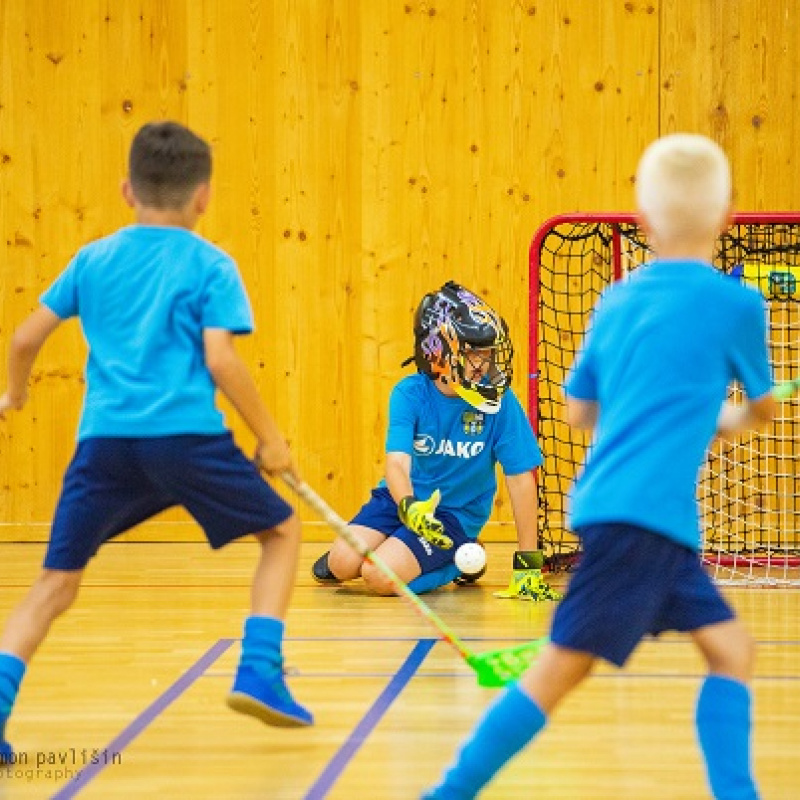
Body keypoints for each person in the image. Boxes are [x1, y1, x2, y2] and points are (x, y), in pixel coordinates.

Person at [422, 134, 776, 799]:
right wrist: (741, 414)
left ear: (642, 222)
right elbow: (763, 409)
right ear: (729, 213)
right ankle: (446, 793)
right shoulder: (737, 304)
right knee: (559, 670)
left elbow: (579, 410)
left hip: (630, 517)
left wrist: (690, 415)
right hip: (644, 524)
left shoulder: (616, 301)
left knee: (731, 651)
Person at [0, 121, 313, 764]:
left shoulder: (92, 260)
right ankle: (259, 669)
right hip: (185, 438)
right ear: (205, 196)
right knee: (282, 534)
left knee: (54, 586)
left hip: (105, 446)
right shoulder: (211, 265)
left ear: (125, 190)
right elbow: (221, 360)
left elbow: (25, 338)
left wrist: (15, 394)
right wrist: (272, 441)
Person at [311, 280, 558, 600]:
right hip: (403, 500)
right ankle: (403, 548)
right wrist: (410, 508)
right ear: (438, 353)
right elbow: (397, 463)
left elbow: (521, 480)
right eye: (472, 354)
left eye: (487, 352)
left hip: (453, 515)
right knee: (342, 564)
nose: (483, 363)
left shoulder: (500, 402)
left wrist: (528, 564)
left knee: (376, 577)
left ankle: (461, 560)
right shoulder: (409, 393)